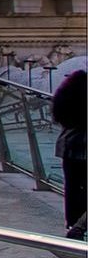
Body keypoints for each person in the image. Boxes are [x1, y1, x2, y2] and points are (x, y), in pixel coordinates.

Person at [55, 69, 85, 240]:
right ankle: (80, 226)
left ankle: (73, 222)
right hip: (83, 148)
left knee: (72, 187)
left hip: (68, 147)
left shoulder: (68, 92)